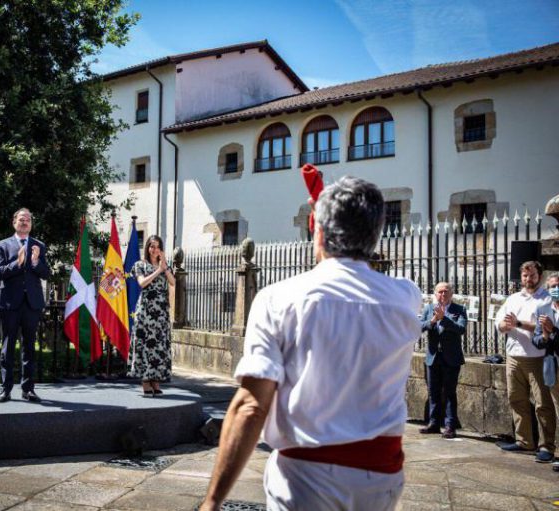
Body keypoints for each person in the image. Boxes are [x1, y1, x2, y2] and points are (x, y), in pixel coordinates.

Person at [200, 176, 422, 511]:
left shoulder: (278, 299)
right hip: (382, 476)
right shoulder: (406, 297)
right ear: (375, 235)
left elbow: (251, 405)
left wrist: (212, 501)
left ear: (317, 231)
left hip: (305, 478)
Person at [494, 260, 554, 463]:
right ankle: (524, 440)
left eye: (533, 276)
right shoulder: (513, 298)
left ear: (540, 276)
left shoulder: (545, 299)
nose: (528, 279)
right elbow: (500, 322)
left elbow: (544, 328)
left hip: (536, 357)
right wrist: (505, 325)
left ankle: (546, 446)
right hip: (513, 355)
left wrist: (518, 323)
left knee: (542, 404)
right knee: (516, 399)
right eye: (525, 276)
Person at [0, 208, 50, 403]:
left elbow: (45, 273)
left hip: (31, 304)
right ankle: (5, 389)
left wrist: (35, 261)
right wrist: (17, 263)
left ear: (31, 224)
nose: (24, 222)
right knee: (7, 347)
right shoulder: (3, 245)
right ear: (14, 222)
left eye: (27, 220)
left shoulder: (39, 246)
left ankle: (28, 389)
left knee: (29, 347)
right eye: (21, 219)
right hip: (9, 303)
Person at [127, 235, 175, 396]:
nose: (154, 249)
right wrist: (158, 271)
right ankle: (146, 381)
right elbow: (142, 283)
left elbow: (173, 282)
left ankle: (156, 380)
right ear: (147, 248)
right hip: (146, 311)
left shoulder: (164, 265)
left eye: (157, 247)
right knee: (146, 344)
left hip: (161, 312)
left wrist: (164, 266)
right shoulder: (140, 265)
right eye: (151, 246)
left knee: (159, 346)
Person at [419, 282, 467, 438]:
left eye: (446, 291)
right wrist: (433, 320)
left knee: (449, 392)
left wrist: (444, 319)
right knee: (433, 392)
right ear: (435, 294)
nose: (443, 295)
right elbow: (420, 327)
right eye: (440, 292)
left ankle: (450, 426)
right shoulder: (428, 309)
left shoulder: (459, 309)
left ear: (451, 293)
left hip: (451, 358)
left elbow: (461, 329)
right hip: (433, 357)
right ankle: (433, 423)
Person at [533, 272, 559, 468]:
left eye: (557, 285)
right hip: (553, 367)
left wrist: (554, 331)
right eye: (551, 287)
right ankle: (551, 450)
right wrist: (545, 335)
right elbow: (538, 340)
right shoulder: (543, 308)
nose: (554, 290)